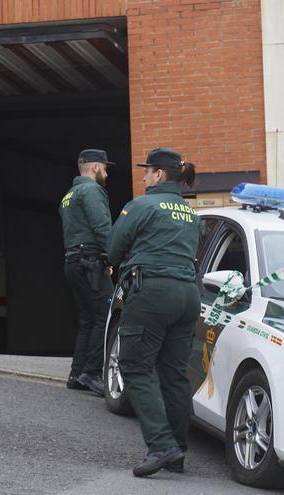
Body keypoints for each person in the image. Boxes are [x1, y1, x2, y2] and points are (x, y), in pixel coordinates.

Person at [107, 147, 200, 476]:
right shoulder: (192, 214)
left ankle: (161, 446)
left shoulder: (142, 205)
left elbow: (113, 248)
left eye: (147, 171)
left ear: (159, 174)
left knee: (134, 365)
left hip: (153, 293)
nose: (144, 176)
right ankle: (177, 451)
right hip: (189, 295)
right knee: (174, 373)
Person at [59, 149, 115, 396]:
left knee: (86, 319)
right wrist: (115, 255)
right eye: (105, 168)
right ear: (95, 168)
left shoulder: (69, 195)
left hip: (74, 263)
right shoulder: (91, 191)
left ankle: (77, 374)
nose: (106, 173)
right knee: (104, 316)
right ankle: (92, 373)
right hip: (91, 264)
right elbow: (103, 227)